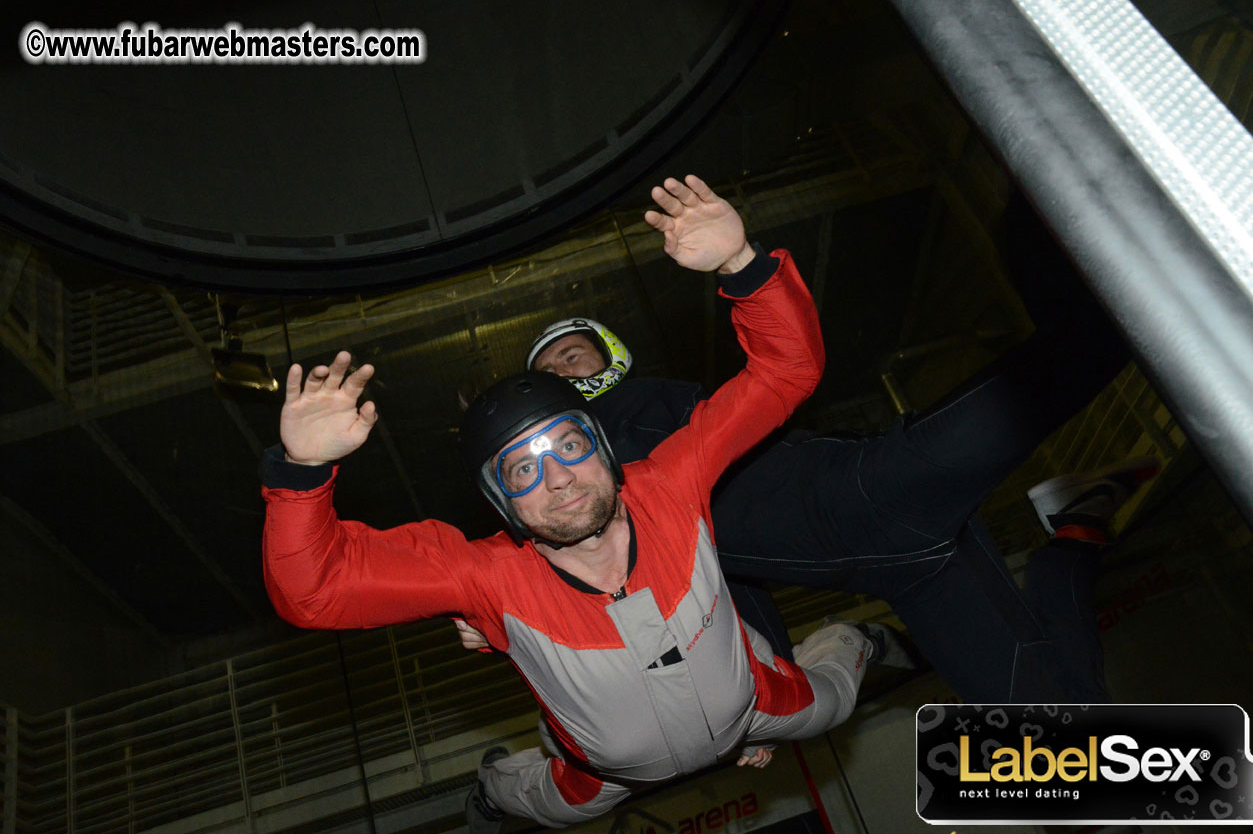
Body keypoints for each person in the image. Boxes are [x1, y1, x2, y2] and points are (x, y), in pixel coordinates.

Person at [260, 175, 893, 830]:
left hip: (751, 705)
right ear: (500, 502)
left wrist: (742, 264)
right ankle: (490, 785)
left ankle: (860, 638)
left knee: (833, 702)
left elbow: (784, 373)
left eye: (567, 445)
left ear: (602, 447)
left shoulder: (671, 480)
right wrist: (302, 469)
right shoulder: (485, 575)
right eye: (523, 470)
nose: (557, 478)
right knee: (538, 804)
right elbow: (313, 591)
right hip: (599, 773)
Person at [453, 184, 1156, 705]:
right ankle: (1073, 531)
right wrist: (769, 678)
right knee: (1060, 761)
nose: (560, 376)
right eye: (544, 375)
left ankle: (1035, 193)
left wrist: (740, 261)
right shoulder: (580, 497)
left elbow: (776, 372)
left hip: (873, 487)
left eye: (572, 358)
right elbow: (718, 583)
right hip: (904, 569)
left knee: (1089, 347)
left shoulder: (658, 407)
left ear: (609, 357)